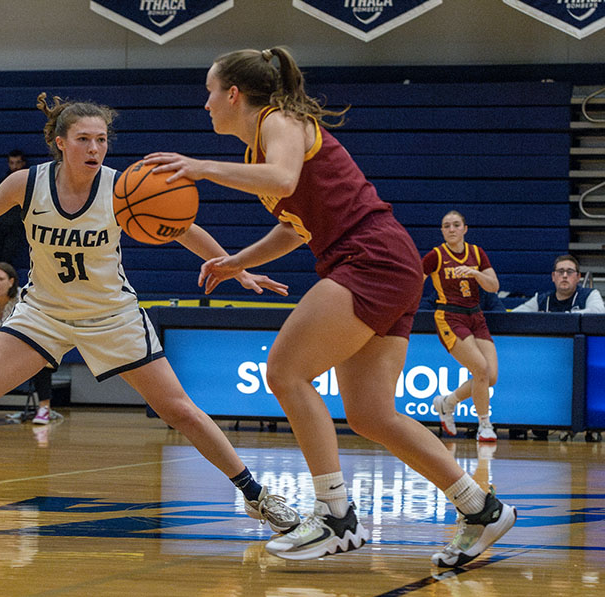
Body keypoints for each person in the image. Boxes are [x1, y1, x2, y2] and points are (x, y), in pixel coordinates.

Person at [143, 46, 516, 566]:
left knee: (285, 371)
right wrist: (235, 262)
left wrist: (200, 167)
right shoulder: (261, 148)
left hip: (370, 257)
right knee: (370, 413)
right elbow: (295, 228)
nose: (205, 104)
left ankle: (336, 516)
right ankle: (480, 508)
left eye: (209, 92)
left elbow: (283, 181)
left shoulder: (280, 122)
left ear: (233, 94)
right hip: (384, 260)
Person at [0, 92, 300, 536]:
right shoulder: (26, 184)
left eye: (101, 140)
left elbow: (183, 229)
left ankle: (257, 496)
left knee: (180, 410)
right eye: (83, 139)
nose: (94, 148)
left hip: (111, 314)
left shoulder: (122, 186)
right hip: (44, 313)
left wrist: (236, 269)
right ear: (60, 142)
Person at [421, 211, 501, 443]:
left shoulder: (477, 253)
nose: (452, 229)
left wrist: (475, 273)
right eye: (446, 226)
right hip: (450, 316)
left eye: (456, 225)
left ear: (465, 228)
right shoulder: (435, 255)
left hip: (475, 315)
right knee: (480, 369)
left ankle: (448, 402)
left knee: (491, 376)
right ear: (442, 231)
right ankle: (485, 425)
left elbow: (494, 286)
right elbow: (416, 279)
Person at [0, 261, 60, 424]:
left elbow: (31, 329)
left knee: (41, 351)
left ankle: (44, 407)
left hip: (17, 347)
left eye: (0, 279)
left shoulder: (23, 298)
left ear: (11, 281)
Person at [511, 255, 604, 313]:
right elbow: (516, 315)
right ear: (553, 276)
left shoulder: (590, 295)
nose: (564, 275)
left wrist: (566, 317)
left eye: (570, 271)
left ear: (578, 277)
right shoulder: (541, 299)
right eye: (560, 271)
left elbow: (598, 312)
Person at [0, 150, 28, 268]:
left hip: (17, 224)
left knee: (8, 257)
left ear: (23, 163)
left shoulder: (30, 181)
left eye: (18, 162)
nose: (15, 166)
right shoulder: (2, 182)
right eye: (12, 163)